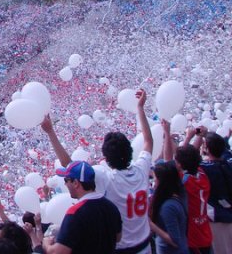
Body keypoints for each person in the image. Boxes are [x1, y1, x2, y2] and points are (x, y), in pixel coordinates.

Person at [41, 88, 152, 254]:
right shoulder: (142, 169)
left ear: (106, 159)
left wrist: (50, 132)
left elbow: (70, 165)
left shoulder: (107, 179)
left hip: (123, 248)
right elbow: (148, 141)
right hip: (146, 245)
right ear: (130, 151)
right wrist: (140, 109)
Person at [41, 161, 122, 254]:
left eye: (66, 180)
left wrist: (46, 245)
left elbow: (58, 252)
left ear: (75, 183)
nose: (65, 184)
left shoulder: (75, 213)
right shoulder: (111, 206)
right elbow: (118, 237)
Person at [174, 143, 212, 253]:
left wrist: (167, 134)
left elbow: (168, 161)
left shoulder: (185, 183)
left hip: (192, 238)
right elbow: (190, 157)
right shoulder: (202, 174)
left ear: (180, 165)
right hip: (205, 232)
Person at [198, 132, 232, 254]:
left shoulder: (205, 169)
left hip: (217, 220)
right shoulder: (229, 162)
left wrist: (196, 137)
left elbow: (186, 159)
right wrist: (207, 135)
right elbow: (224, 151)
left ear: (207, 148)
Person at [149, 162, 189, 254]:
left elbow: (175, 241)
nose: (153, 182)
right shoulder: (177, 196)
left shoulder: (168, 207)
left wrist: (151, 225)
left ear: (161, 181)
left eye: (154, 178)